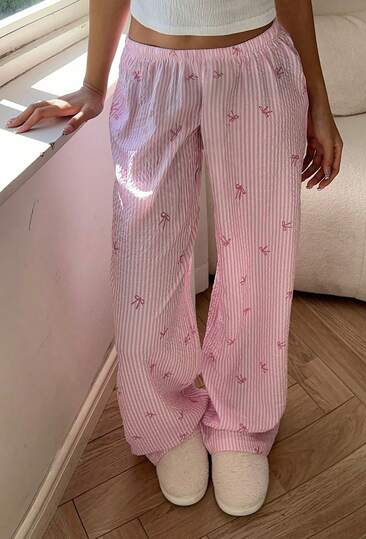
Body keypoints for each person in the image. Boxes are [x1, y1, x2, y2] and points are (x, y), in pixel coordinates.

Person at [5, 0, 343, 517]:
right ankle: (163, 419)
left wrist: (320, 100)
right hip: (153, 75)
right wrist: (93, 84)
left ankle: (244, 422)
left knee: (260, 261)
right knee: (144, 266)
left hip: (257, 71)